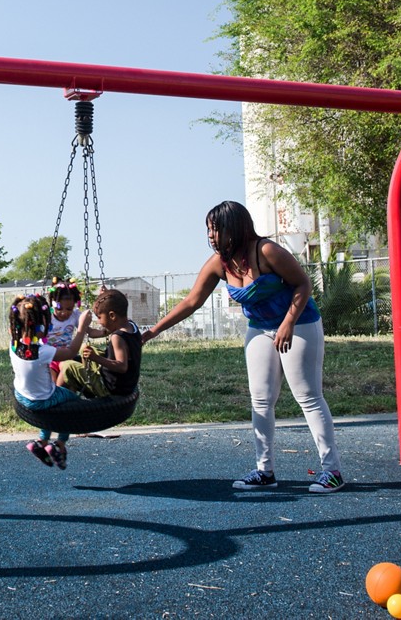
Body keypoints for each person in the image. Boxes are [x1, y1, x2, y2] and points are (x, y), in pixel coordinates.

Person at [143, 200, 345, 494]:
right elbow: (191, 302)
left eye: (216, 229)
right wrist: (152, 332)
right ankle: (265, 471)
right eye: (208, 230)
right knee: (261, 400)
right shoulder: (219, 264)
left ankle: (332, 471)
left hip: (299, 323)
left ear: (234, 229)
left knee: (308, 396)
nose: (211, 236)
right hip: (259, 329)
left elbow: (303, 284)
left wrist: (288, 323)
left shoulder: (266, 251)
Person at [9, 292, 85, 469]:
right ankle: (59, 444)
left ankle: (41, 442)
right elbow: (71, 353)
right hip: (42, 399)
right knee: (72, 404)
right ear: (44, 323)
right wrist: (81, 328)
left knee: (49, 403)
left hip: (21, 395)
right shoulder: (43, 351)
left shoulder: (13, 344)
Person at [59, 287, 142, 400]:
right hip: (126, 383)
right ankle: (85, 373)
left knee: (67, 365)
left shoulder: (117, 337)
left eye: (99, 317)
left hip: (110, 388)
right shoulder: (131, 325)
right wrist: (106, 296)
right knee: (85, 348)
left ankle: (58, 398)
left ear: (112, 316)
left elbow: (122, 366)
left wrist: (95, 358)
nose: (98, 321)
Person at [45, 277, 82, 381]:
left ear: (74, 304)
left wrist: (104, 331)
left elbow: (90, 332)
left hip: (67, 357)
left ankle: (66, 394)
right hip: (50, 357)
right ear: (52, 303)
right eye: (59, 308)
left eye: (69, 309)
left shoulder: (75, 316)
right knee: (51, 384)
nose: (64, 312)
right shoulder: (47, 316)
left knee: (68, 380)